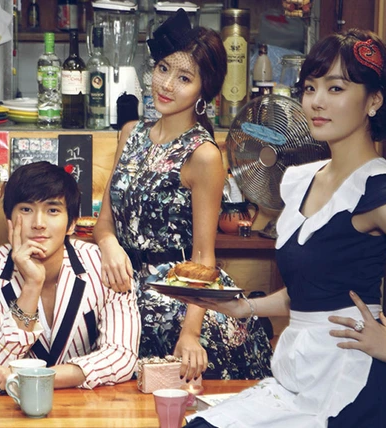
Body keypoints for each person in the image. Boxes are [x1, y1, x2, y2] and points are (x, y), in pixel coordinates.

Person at [184, 29, 386, 427]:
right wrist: (246, 307)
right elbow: (312, 289)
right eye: (309, 88)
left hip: (348, 374)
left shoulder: (380, 190)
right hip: (300, 368)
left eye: (336, 88)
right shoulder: (302, 179)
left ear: (373, 100)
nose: (316, 101)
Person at [92, 8, 273, 381]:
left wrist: (190, 333)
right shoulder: (130, 133)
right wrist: (109, 245)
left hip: (176, 298)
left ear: (203, 90)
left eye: (184, 78)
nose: (167, 84)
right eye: (163, 69)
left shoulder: (203, 154)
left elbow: (204, 257)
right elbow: (104, 223)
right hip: (119, 292)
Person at [0, 161, 140, 393]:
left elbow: (122, 355)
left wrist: (33, 378)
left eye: (52, 210)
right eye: (26, 209)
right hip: (10, 405)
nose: (38, 224)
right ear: (9, 220)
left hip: (85, 403)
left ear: (72, 223)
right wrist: (31, 286)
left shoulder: (103, 265)